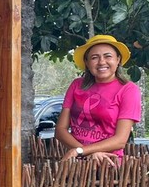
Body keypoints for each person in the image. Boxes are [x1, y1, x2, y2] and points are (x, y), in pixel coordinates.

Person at [56, 34, 141, 164]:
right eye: (94, 57)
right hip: (75, 163)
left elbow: (120, 140)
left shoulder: (128, 90)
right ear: (87, 62)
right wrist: (86, 152)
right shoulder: (76, 85)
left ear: (118, 60)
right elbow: (60, 130)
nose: (101, 62)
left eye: (108, 56)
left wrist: (80, 151)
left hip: (108, 164)